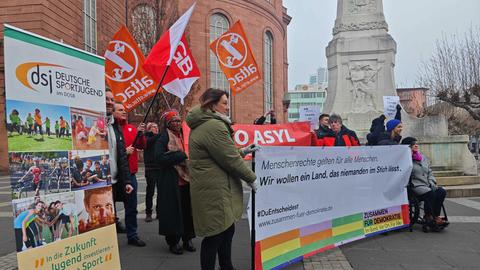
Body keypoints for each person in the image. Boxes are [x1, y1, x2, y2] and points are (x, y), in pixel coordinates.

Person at [186, 88, 259, 270]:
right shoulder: (214, 126)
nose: (228, 107)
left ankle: (227, 266)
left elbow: (224, 153)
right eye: (224, 103)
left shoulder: (209, 124)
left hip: (214, 188)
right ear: (212, 104)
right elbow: (230, 159)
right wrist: (251, 178)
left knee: (226, 231)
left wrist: (243, 150)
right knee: (215, 236)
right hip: (214, 190)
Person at [154, 110, 195, 254]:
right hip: (171, 182)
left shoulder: (185, 136)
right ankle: (173, 242)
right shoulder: (163, 138)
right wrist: (180, 155)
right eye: (174, 121)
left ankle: (187, 239)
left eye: (179, 120)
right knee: (173, 213)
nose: (177, 123)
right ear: (168, 123)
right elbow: (159, 158)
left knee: (187, 212)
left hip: (187, 180)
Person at [112, 100, 146, 247]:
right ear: (112, 113)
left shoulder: (132, 129)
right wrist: (123, 153)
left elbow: (142, 145)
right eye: (120, 110)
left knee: (131, 208)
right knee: (109, 207)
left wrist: (141, 135)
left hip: (130, 175)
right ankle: (113, 227)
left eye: (124, 110)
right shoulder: (110, 130)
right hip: (113, 177)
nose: (124, 112)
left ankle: (132, 235)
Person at [105, 89, 134, 238]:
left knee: (112, 211)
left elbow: (121, 156)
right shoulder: (98, 123)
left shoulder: (115, 126)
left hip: (115, 180)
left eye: (111, 99)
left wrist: (127, 180)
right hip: (102, 181)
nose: (109, 102)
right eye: (106, 99)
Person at [402, 137, 449, 229]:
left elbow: (430, 171)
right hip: (415, 186)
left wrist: (432, 181)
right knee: (430, 193)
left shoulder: (422, 157)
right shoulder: (405, 160)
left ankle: (435, 215)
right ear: (407, 147)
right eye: (412, 144)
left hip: (427, 184)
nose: (416, 145)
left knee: (441, 191)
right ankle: (428, 216)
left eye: (416, 143)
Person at [143, 122, 161, 222]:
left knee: (160, 192)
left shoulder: (159, 138)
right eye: (154, 127)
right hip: (150, 168)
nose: (156, 128)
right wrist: (157, 136)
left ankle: (159, 212)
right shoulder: (146, 137)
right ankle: (148, 213)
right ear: (149, 129)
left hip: (160, 168)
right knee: (150, 191)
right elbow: (148, 143)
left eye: (157, 127)